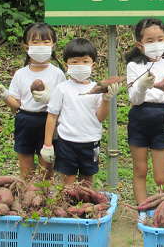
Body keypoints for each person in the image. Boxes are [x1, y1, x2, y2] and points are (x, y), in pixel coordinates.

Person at [125, 17, 164, 204]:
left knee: (160, 176)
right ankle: (143, 212)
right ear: (139, 44)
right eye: (150, 41)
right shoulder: (134, 66)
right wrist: (142, 85)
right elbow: (134, 99)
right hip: (139, 117)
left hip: (163, 117)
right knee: (140, 170)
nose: (156, 44)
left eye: (160, 39)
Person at [40, 38, 120, 186]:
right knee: (67, 184)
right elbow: (52, 117)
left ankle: (84, 207)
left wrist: (106, 99)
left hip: (91, 142)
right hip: (67, 142)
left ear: (93, 65)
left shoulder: (97, 88)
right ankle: (67, 207)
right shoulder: (62, 88)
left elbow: (100, 118)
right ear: (66, 65)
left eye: (85, 61)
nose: (80, 65)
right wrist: (47, 144)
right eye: (75, 62)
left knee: (86, 182)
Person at [0, 22, 66, 179]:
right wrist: (4, 95)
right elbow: (16, 105)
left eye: (46, 42)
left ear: (53, 47)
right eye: (35, 42)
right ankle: (28, 201)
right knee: (26, 172)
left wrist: (51, 98)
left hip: (48, 121)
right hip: (24, 121)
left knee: (46, 172)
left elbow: (64, 104)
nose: (41, 46)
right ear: (27, 47)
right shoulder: (20, 74)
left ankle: (46, 201)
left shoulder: (57, 74)